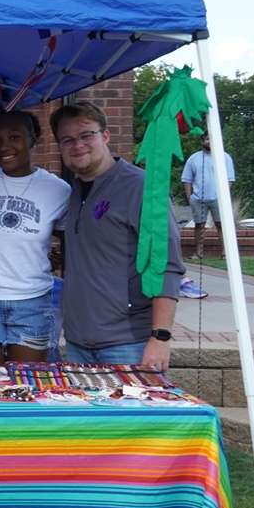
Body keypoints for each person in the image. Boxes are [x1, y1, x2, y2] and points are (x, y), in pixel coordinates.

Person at [49, 101, 184, 369]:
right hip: (77, 342)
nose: (78, 145)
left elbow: (166, 264)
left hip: (128, 343)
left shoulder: (141, 188)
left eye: (86, 135)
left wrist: (160, 337)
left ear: (106, 135)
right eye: (67, 140)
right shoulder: (71, 194)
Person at [0, 111, 71, 364]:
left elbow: (70, 239)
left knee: (26, 380)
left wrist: (48, 258)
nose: (4, 147)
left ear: (33, 140)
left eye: (14, 137)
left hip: (32, 301)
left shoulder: (58, 190)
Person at [181, 131, 235, 261]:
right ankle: (199, 253)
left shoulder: (224, 157)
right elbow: (187, 179)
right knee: (199, 225)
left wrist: (223, 196)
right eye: (207, 139)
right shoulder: (193, 158)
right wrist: (189, 196)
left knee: (221, 225)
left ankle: (225, 253)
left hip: (218, 199)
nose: (209, 141)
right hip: (198, 199)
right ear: (202, 141)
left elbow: (229, 179)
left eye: (212, 139)